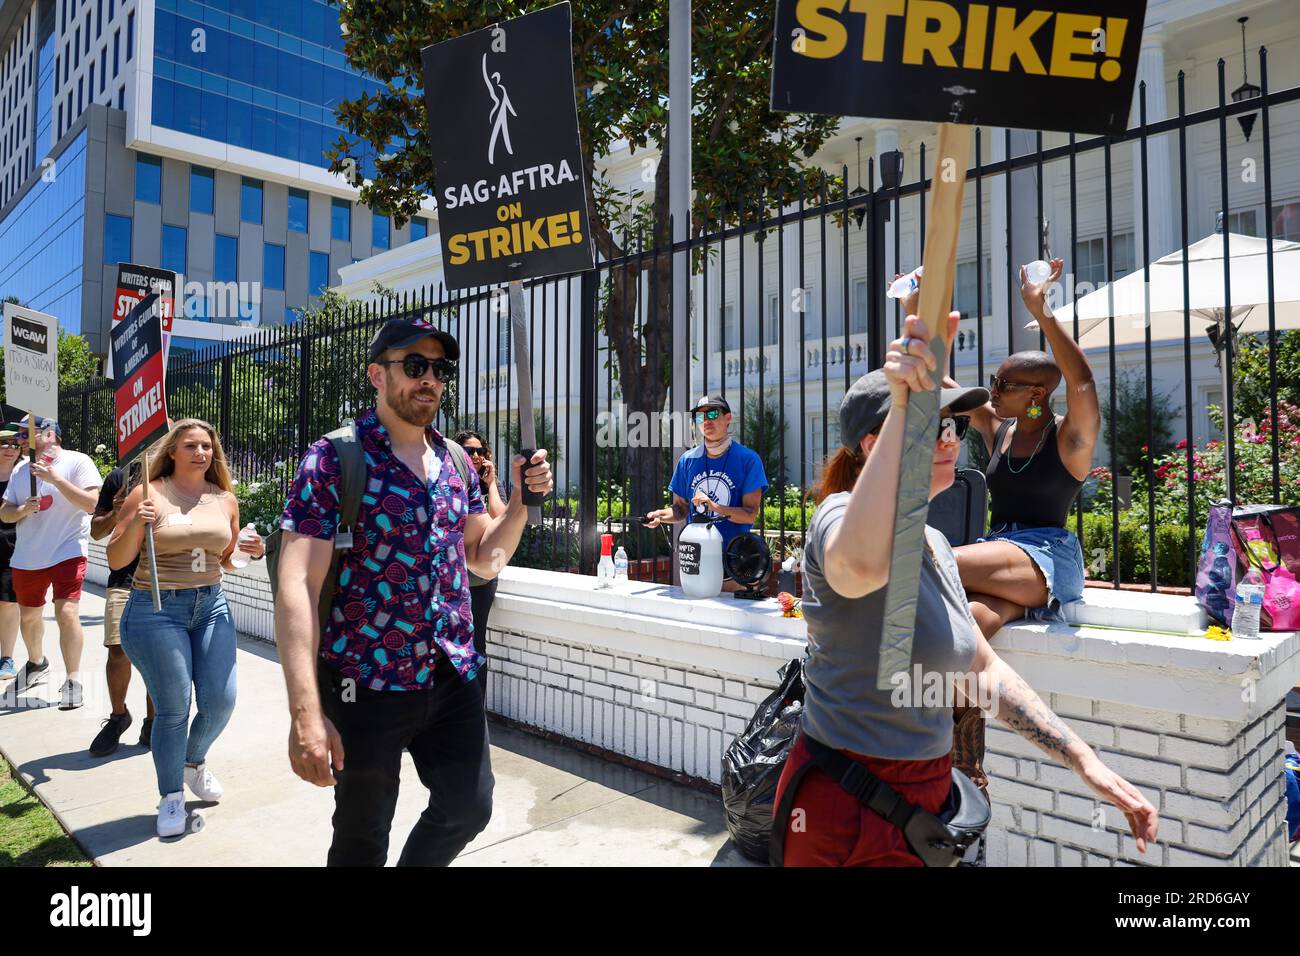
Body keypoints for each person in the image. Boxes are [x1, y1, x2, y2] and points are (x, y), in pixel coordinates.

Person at [773, 309, 1157, 866]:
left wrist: (1083, 760)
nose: (950, 438)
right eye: (934, 427)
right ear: (877, 443)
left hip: (923, 802)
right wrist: (907, 404)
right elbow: (855, 567)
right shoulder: (839, 513)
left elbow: (982, 670)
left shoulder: (935, 545)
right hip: (843, 806)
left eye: (952, 426)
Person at [274, 316, 554, 867]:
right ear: (377, 375)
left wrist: (520, 499)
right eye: (415, 365)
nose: (430, 379)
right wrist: (305, 712)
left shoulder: (455, 461)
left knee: (468, 808)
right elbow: (298, 584)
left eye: (440, 369)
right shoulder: (333, 459)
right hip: (366, 682)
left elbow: (484, 559)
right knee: (361, 837)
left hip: (452, 673)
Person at [107, 419, 265, 838]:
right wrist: (135, 525)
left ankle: (193, 762)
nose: (201, 453)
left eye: (207, 446)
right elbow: (117, 559)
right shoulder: (148, 493)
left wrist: (251, 550)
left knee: (221, 701)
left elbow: (227, 560)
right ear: (172, 451)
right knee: (174, 708)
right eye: (191, 445)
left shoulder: (225, 499)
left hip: (211, 606)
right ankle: (171, 796)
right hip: (156, 609)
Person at [950, 257, 1099, 636]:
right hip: (999, 555)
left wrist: (1041, 310)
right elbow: (942, 383)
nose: (993, 392)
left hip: (1046, 557)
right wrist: (916, 315)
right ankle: (972, 697)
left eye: (1004, 386)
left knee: (934, 559)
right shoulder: (998, 428)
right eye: (994, 382)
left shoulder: (1069, 438)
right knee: (968, 624)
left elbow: (1081, 382)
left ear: (1037, 393)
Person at [0, 417, 102, 708]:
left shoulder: (78, 462)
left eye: (24, 432)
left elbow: (92, 504)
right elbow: (5, 512)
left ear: (48, 434)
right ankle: (36, 662)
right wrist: (21, 509)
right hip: (28, 555)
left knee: (67, 611)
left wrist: (55, 478)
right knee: (29, 616)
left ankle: (73, 680)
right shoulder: (21, 469)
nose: (19, 438)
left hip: (67, 550)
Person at [644, 395, 768, 591]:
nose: (706, 421)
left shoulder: (748, 460)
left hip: (735, 565)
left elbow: (750, 514)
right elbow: (680, 509)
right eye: (700, 417)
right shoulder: (688, 460)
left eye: (712, 413)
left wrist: (715, 507)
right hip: (696, 562)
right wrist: (659, 515)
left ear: (728, 418)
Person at [88, 458, 156, 755]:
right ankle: (118, 718)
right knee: (117, 651)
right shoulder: (119, 478)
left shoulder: (175, 477)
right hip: (123, 578)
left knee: (157, 658)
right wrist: (116, 513)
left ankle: (154, 723)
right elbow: (96, 530)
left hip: (162, 579)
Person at [453, 430, 508, 699]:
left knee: (476, 644)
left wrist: (492, 484)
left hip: (480, 580)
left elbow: (500, 521)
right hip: (451, 577)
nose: (474, 456)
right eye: (467, 450)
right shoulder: (449, 481)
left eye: (479, 451)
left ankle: (477, 707)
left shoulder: (490, 487)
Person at [0, 426, 28, 683]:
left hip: (15, 546)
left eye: (14, 444)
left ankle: (6, 657)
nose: (10, 449)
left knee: (8, 602)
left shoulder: (24, 475)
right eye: (4, 444)